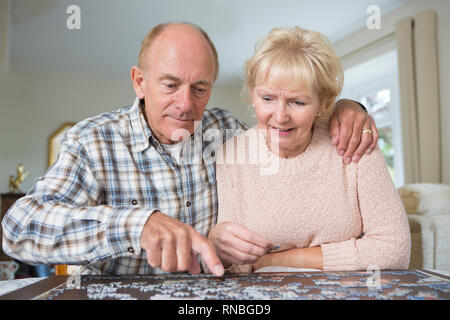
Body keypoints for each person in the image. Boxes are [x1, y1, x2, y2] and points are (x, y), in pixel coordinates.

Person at [2, 23, 378, 276]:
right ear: (139, 82)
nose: (185, 105)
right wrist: (137, 225)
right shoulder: (92, 142)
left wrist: (347, 109)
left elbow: (289, 133)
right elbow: (18, 229)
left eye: (200, 88)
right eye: (170, 85)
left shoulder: (227, 130)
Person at [209, 26, 410, 273]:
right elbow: (233, 267)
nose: (280, 116)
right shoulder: (232, 155)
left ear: (323, 102)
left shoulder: (354, 141)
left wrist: (274, 260)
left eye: (297, 102)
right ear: (252, 94)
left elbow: (394, 250)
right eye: (267, 98)